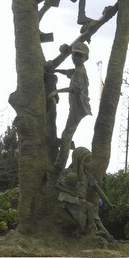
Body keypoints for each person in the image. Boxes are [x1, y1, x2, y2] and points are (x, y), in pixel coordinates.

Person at [49, 42, 93, 174]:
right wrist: (56, 70)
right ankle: (60, 164)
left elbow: (74, 88)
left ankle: (59, 165)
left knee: (66, 135)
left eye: (80, 56)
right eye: (74, 54)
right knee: (67, 134)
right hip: (75, 107)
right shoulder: (78, 70)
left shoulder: (80, 72)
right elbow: (69, 72)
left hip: (78, 108)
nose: (76, 58)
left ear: (85, 57)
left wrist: (56, 92)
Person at [57, 147, 113, 240]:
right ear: (79, 160)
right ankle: (91, 231)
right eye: (86, 161)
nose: (88, 164)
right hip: (70, 201)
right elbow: (57, 185)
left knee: (95, 217)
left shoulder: (86, 174)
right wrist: (70, 192)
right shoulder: (67, 172)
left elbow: (98, 189)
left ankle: (109, 238)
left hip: (81, 202)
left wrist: (109, 203)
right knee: (90, 208)